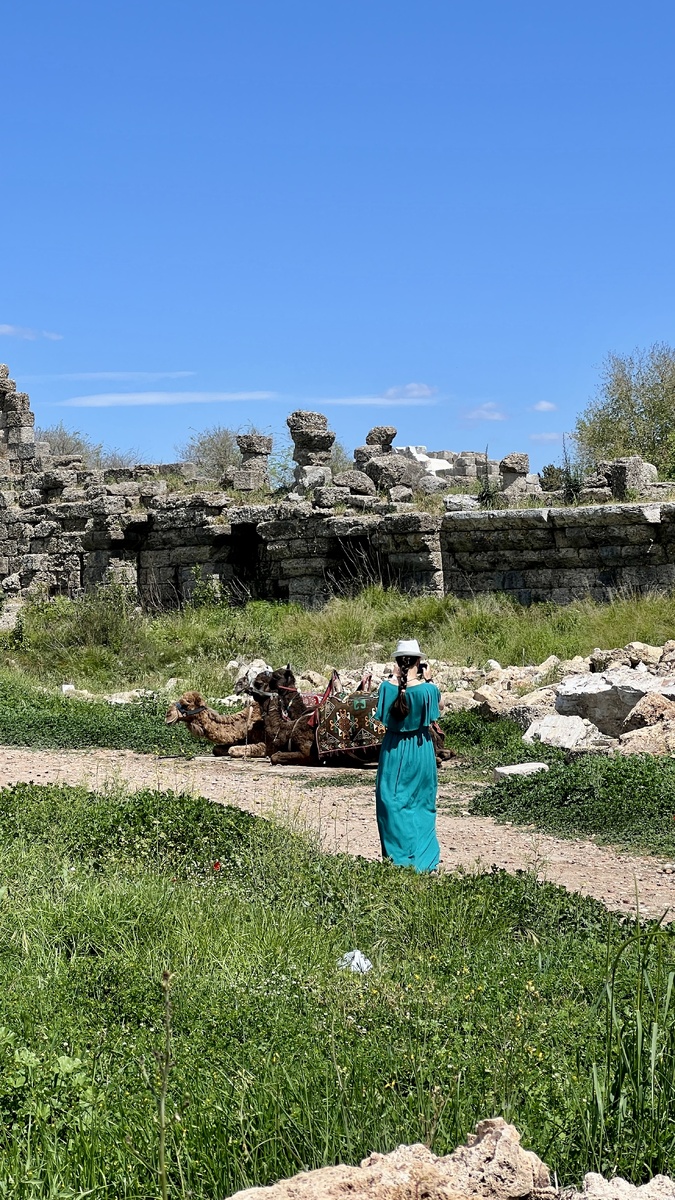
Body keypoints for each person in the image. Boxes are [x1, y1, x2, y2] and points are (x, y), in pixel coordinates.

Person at [374, 638, 444, 872]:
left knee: (391, 802)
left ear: (397, 662)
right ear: (418, 662)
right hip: (420, 749)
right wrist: (430, 679)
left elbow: (384, 707)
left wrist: (395, 677)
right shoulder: (428, 690)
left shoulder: (386, 688)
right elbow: (440, 707)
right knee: (422, 802)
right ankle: (424, 858)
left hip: (393, 749)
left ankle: (398, 858)